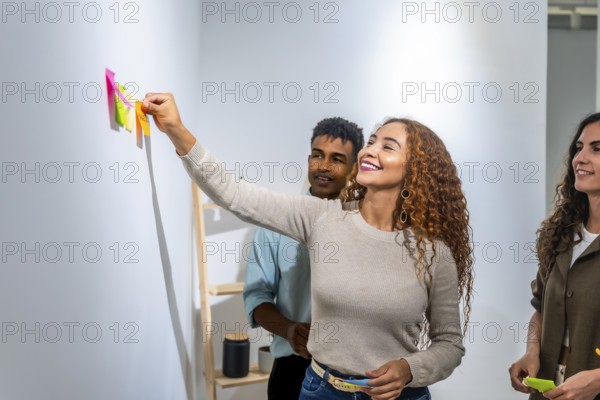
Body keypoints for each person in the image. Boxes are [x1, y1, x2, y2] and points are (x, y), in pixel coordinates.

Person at [142, 93, 474, 400]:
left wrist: (409, 369)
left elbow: (449, 344)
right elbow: (235, 194)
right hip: (322, 391)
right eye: (371, 141)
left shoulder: (434, 253)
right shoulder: (321, 217)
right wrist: (177, 130)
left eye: (388, 146)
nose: (371, 149)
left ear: (415, 169)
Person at [243, 117, 364, 400]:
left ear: (354, 168)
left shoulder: (368, 224)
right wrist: (290, 330)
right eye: (318, 155)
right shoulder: (275, 224)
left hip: (355, 373)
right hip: (292, 371)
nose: (323, 166)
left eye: (337, 159)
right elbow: (256, 298)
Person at [509, 113, 600, 400]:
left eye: (597, 149)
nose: (580, 158)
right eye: (579, 147)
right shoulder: (558, 233)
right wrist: (531, 352)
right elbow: (541, 310)